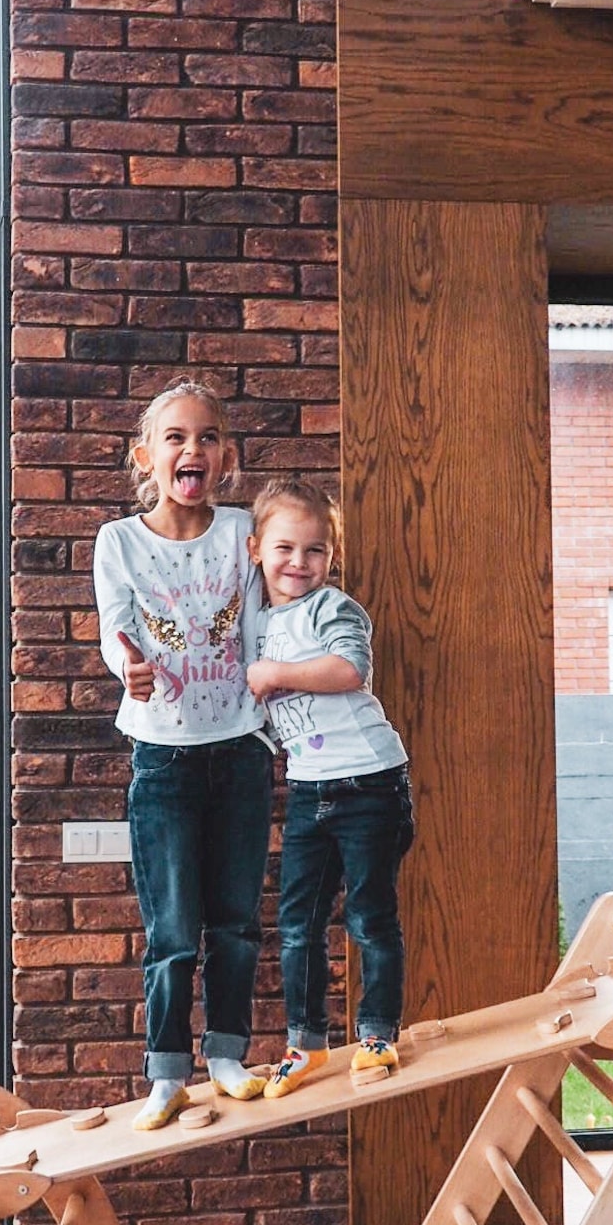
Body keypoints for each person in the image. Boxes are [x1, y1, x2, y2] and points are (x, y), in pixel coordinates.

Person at [93, 378, 274, 1130]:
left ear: (226, 456)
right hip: (162, 760)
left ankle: (226, 1053)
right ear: (147, 455)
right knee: (171, 931)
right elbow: (114, 628)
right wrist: (126, 667)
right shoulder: (120, 542)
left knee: (234, 922)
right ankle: (166, 1072)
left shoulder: (242, 532)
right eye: (174, 437)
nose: (190, 449)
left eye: (205, 437)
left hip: (240, 751)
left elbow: (273, 616)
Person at [243, 477, 414, 1099]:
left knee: (369, 918)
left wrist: (275, 673)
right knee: (298, 924)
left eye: (315, 551)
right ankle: (308, 1044)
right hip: (310, 791)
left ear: (330, 558)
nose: (299, 563)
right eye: (286, 548)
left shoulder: (332, 608)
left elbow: (349, 669)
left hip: (369, 784)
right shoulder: (256, 621)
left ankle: (376, 1034)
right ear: (256, 549)